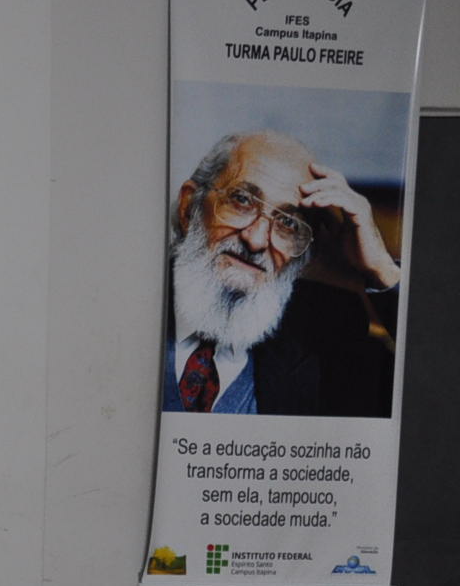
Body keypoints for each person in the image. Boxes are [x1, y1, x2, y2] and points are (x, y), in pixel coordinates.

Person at [165, 130, 400, 416]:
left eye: (288, 223)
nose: (256, 240)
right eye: (242, 200)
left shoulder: (328, 336)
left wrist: (381, 270)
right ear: (189, 207)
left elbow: (431, 395)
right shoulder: (125, 295)